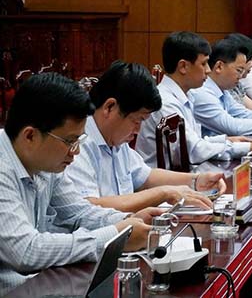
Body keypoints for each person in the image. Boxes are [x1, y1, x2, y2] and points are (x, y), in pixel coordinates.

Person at [0, 73, 156, 294]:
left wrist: (128, 221)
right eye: (70, 141)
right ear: (30, 136)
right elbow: (26, 251)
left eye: (79, 140)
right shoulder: (2, 168)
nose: (76, 152)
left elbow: (78, 212)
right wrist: (114, 234)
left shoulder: (46, 163)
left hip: (42, 285)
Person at [65, 61, 226, 213]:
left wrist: (196, 180)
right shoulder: (77, 143)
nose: (138, 130)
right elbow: (89, 206)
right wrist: (163, 193)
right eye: (136, 120)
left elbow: (145, 176)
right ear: (109, 107)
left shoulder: (115, 140)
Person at [135, 32, 252, 167]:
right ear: (183, 66)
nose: (208, 70)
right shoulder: (165, 103)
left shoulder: (187, 95)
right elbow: (194, 151)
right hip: (165, 181)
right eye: (204, 64)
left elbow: (194, 141)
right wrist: (247, 148)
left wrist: (226, 140)